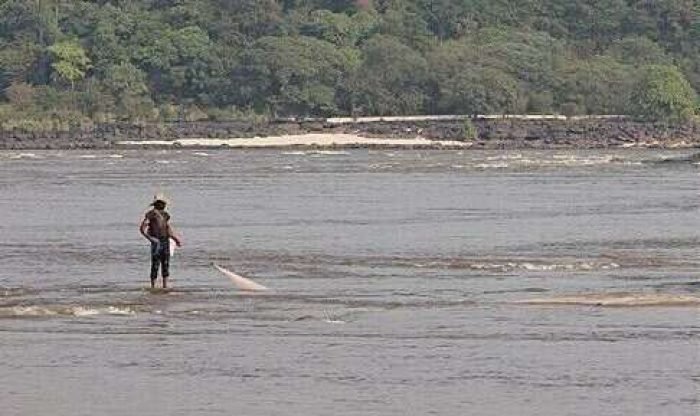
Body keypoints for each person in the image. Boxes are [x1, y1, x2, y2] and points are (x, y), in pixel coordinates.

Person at [139, 195, 182, 288]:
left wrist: (175, 238)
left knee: (165, 264)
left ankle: (165, 286)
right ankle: (153, 286)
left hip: (165, 240)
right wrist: (150, 238)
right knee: (155, 264)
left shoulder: (165, 215)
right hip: (156, 241)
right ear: (158, 203)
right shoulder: (151, 214)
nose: (164, 205)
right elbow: (142, 228)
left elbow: (167, 228)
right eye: (163, 203)